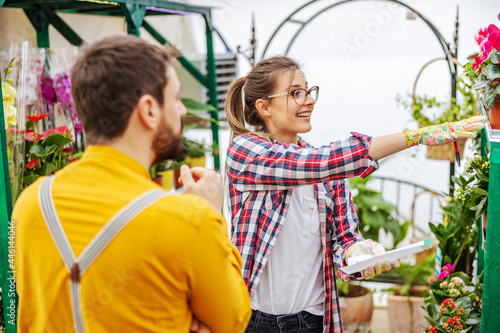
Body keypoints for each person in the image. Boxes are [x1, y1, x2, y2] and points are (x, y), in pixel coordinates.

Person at [224, 56, 486, 332]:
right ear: (264, 106)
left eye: (308, 90)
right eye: (295, 93)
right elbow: (315, 164)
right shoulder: (245, 153)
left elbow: (344, 239)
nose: (309, 100)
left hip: (313, 321)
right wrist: (416, 136)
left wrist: (360, 253)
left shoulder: (328, 176)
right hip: (253, 321)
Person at [12, 35, 251, 333]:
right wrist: (212, 214)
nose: (183, 110)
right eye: (175, 98)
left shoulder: (30, 204)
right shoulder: (191, 220)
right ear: (149, 110)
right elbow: (234, 320)